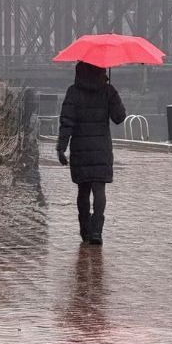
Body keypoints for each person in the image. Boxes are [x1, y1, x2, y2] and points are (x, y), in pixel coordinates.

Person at [56, 61, 127, 245]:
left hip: (80, 148)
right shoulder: (107, 91)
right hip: (101, 148)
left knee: (83, 190)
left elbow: (67, 122)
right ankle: (97, 231)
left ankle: (85, 230)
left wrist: (61, 147)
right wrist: (112, 92)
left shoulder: (73, 91)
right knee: (99, 190)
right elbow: (119, 118)